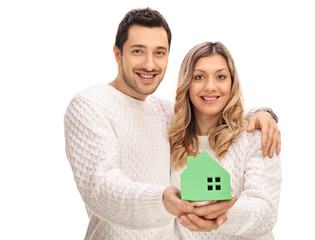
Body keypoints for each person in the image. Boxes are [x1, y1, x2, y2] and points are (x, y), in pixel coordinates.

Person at [64, 8, 281, 240]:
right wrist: (161, 200)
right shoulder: (90, 105)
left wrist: (264, 114)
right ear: (118, 54)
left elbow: (210, 113)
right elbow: (100, 187)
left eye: (159, 52)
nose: (149, 64)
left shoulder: (164, 112)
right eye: (138, 51)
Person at [168, 41, 281, 239]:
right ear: (187, 83)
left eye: (220, 76)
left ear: (232, 83)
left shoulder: (254, 137)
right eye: (199, 77)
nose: (210, 87)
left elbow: (265, 212)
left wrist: (224, 212)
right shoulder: (172, 140)